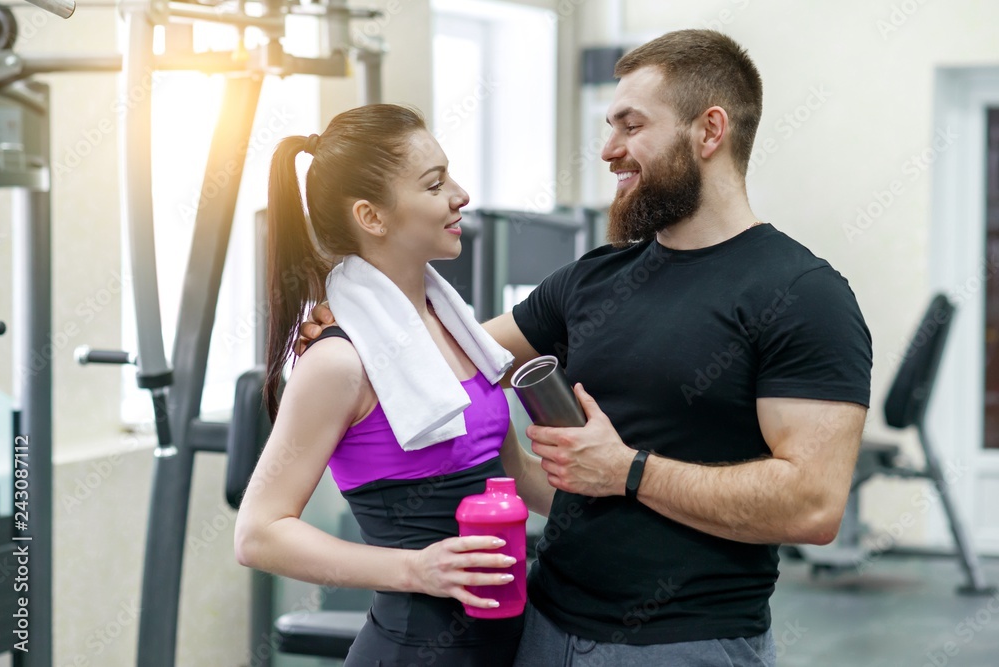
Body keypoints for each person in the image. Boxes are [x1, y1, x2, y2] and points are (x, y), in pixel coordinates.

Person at [300, 29, 872, 666]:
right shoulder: (591, 279)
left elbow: (814, 506)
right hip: (540, 631)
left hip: (684, 645)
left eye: (631, 126)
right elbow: (444, 359)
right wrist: (350, 326)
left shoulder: (802, 294)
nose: (609, 150)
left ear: (709, 131)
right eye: (609, 126)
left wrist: (628, 470)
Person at [233, 104, 553, 667]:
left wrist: (632, 508)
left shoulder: (459, 334)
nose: (461, 194)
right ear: (372, 217)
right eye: (435, 184)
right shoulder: (339, 361)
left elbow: (520, 478)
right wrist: (415, 569)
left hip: (504, 641)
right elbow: (258, 533)